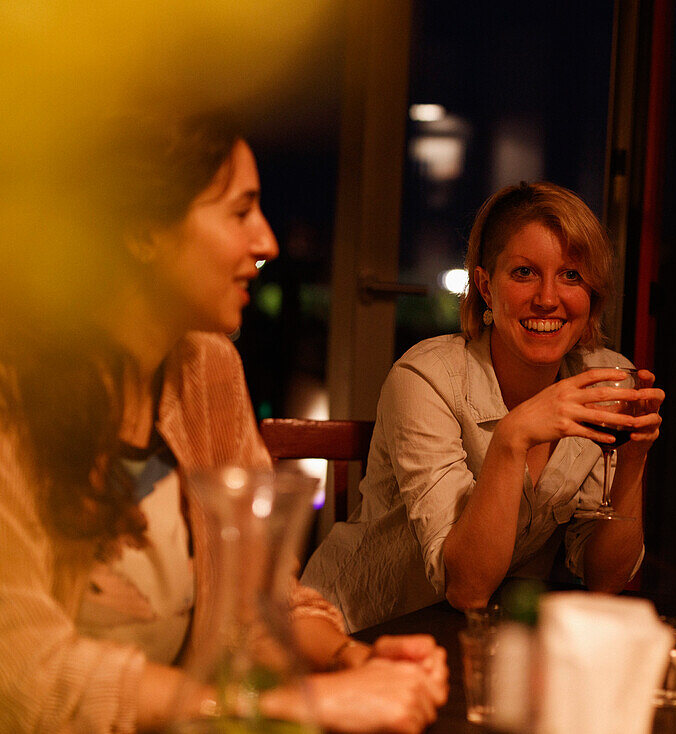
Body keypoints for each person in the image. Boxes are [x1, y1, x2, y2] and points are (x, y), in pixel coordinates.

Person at [0, 112, 446, 733]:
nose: (267, 243)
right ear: (143, 232)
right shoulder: (14, 396)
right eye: (240, 213)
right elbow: (23, 672)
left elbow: (255, 601)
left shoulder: (206, 370)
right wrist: (284, 705)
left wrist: (353, 659)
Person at [303, 181, 664, 631]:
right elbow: (467, 587)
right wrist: (513, 437)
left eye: (571, 275)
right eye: (524, 272)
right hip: (358, 630)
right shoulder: (425, 379)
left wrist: (632, 461)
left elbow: (606, 579)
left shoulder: (604, 381)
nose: (548, 298)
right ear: (486, 287)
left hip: (483, 638)